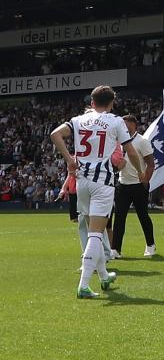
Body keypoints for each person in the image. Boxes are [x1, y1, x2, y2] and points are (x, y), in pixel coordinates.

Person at [50, 85, 145, 298]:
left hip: (82, 182)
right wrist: (140, 171)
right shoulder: (115, 121)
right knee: (95, 233)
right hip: (103, 182)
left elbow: (55, 134)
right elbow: (129, 150)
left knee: (96, 229)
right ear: (111, 103)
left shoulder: (78, 120)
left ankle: (103, 276)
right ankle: (83, 285)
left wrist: (69, 160)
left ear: (92, 102)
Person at [110, 114, 157, 257]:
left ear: (133, 125)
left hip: (138, 185)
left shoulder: (142, 141)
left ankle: (150, 245)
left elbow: (150, 164)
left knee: (143, 216)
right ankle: (116, 249)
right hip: (122, 184)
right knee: (119, 218)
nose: (123, 128)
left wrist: (146, 180)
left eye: (125, 125)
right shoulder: (118, 142)